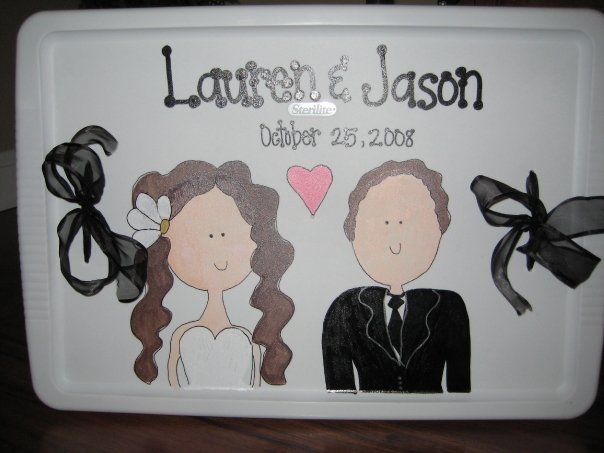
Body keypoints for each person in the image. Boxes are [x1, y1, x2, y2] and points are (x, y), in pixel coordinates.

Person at [127, 160, 294, 388]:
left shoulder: (247, 339)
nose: (216, 247)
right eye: (198, 236)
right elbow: (174, 382)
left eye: (226, 234)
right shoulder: (183, 336)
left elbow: (253, 384)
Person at [322, 159, 471, 393]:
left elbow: (460, 390)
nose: (395, 245)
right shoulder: (346, 308)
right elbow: (338, 389)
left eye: (411, 226)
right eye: (382, 224)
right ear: (352, 230)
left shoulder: (448, 306)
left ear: (439, 228)